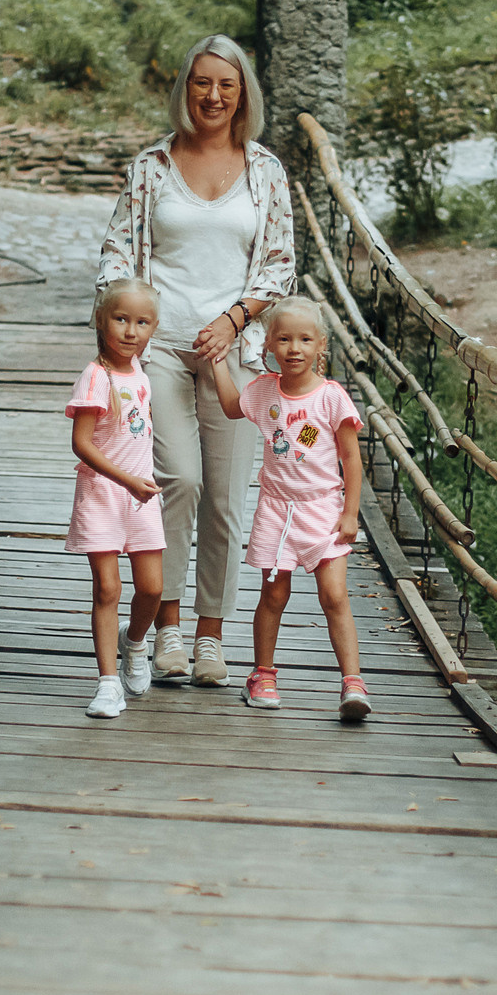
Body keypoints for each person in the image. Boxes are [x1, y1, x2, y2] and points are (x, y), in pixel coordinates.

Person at [95, 34, 296, 688]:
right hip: (159, 351)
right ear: (186, 87)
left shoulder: (265, 170)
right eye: (201, 82)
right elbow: (117, 256)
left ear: (244, 95)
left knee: (227, 499)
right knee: (177, 480)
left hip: (236, 357)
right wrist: (131, 330)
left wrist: (235, 319)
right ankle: (170, 627)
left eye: (226, 85)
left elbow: (280, 266)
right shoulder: (152, 165)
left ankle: (212, 633)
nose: (212, 95)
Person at [209, 297, 370, 723]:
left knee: (334, 595)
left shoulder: (332, 398)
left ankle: (352, 682)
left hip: (322, 509)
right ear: (269, 346)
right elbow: (230, 407)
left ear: (321, 346)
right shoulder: (264, 391)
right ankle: (262, 675)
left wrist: (350, 513)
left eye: (304, 339)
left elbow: (352, 459)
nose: (294, 348)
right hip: (276, 511)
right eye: (283, 339)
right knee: (274, 594)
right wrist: (217, 364)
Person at [65, 280, 166, 718]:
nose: (130, 331)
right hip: (104, 493)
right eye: (120, 319)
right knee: (108, 588)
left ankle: (135, 641)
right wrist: (126, 479)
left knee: (153, 589)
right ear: (100, 321)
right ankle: (108, 683)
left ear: (153, 329)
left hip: (139, 495)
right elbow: (82, 444)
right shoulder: (96, 376)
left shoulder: (139, 370)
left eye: (142, 322)